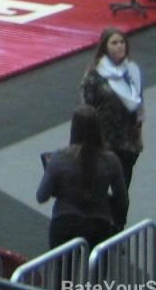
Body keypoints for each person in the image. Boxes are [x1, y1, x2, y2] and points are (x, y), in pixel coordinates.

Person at [36, 104, 128, 248]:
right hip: (99, 226)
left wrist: (59, 189)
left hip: (64, 225)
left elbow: (41, 196)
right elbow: (122, 201)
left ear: (73, 128)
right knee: (96, 269)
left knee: (61, 270)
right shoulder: (111, 161)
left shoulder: (59, 158)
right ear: (98, 128)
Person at [81, 27, 144, 191]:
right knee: (100, 190)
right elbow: (86, 110)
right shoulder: (94, 75)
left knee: (122, 191)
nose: (119, 46)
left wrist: (138, 136)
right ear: (104, 47)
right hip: (103, 141)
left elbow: (138, 105)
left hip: (127, 141)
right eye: (114, 43)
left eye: (122, 42)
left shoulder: (132, 71)